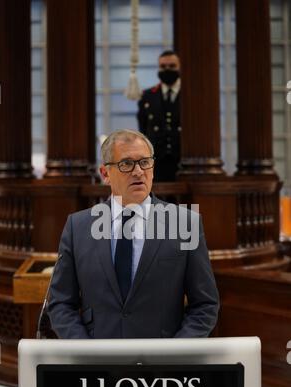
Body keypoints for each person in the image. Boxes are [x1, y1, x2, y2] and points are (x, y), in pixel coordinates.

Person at [48, 129, 219, 339]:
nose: (138, 171)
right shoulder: (78, 226)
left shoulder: (184, 223)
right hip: (97, 362)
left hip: (162, 362)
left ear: (153, 167)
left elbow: (205, 305)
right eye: (126, 164)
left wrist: (175, 354)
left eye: (145, 162)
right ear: (105, 174)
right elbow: (61, 303)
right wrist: (86, 353)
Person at [137, 50, 181, 182]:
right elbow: (143, 129)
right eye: (163, 66)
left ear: (179, 67)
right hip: (157, 164)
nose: (167, 69)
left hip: (183, 162)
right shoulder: (148, 96)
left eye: (172, 66)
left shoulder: (191, 96)